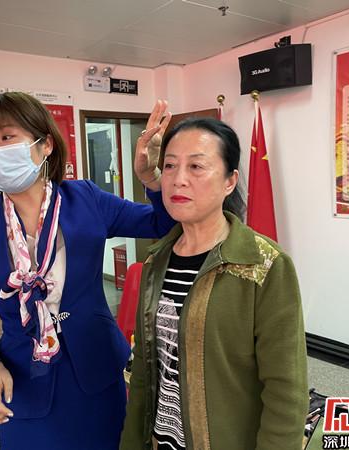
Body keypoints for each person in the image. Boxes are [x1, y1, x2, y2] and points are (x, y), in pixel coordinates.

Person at [0, 92, 175, 450]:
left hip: (98, 371)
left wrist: (153, 180)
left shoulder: (86, 199)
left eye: (6, 137)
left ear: (45, 145)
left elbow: (162, 223)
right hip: (23, 383)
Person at [120, 118, 309, 450]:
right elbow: (144, 374)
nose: (178, 179)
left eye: (196, 166)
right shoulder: (155, 262)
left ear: (229, 181)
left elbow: (286, 392)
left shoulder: (263, 265)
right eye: (170, 166)